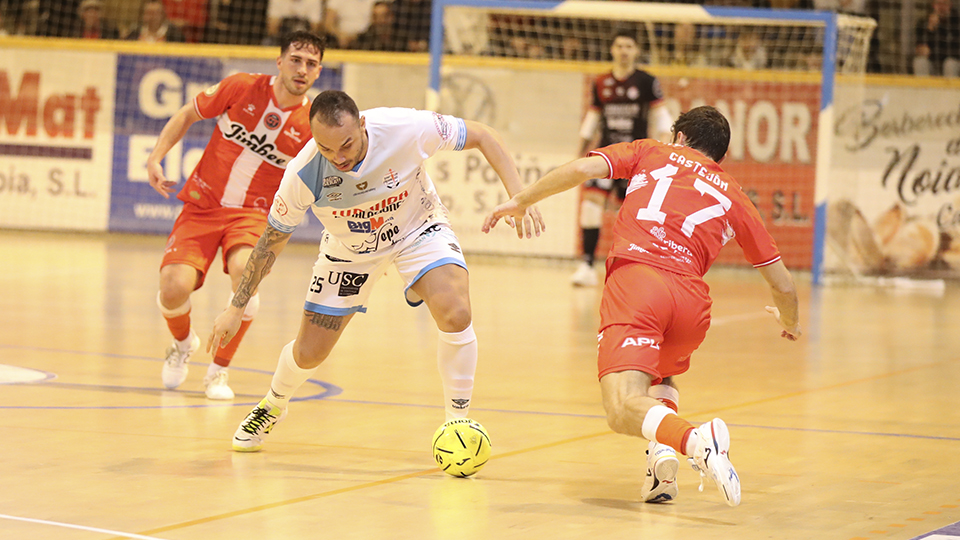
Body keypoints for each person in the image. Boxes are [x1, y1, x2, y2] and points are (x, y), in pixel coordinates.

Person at [482, 106, 801, 506]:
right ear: (718, 156)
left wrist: (522, 200)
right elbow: (784, 286)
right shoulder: (735, 194)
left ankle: (697, 441)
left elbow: (582, 170)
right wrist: (790, 323)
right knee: (660, 374)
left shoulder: (650, 151)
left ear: (680, 138)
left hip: (638, 284)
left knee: (620, 407)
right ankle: (660, 460)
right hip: (691, 305)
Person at [208, 90, 544, 452]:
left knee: (456, 311)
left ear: (363, 125)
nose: (338, 158)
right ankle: (273, 404)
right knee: (310, 353)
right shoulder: (303, 173)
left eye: (346, 145)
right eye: (326, 149)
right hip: (350, 252)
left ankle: (456, 422)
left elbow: (482, 134)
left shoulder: (405, 128)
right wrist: (236, 306)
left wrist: (519, 197)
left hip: (418, 229)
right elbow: (270, 243)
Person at [147, 31, 325, 400]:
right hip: (203, 204)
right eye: (295, 59)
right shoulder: (241, 87)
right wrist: (155, 156)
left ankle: (218, 371)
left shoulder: (312, 126)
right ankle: (183, 345)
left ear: (319, 71)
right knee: (172, 286)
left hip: (253, 215)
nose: (302, 69)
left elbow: (326, 185)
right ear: (279, 61)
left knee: (247, 272)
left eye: (311, 64)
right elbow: (187, 114)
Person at [571, 29, 673, 287]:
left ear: (636, 51)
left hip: (636, 158)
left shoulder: (647, 81)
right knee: (590, 206)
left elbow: (661, 117)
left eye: (629, 46)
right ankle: (586, 266)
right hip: (606, 156)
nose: (624, 50)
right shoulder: (601, 82)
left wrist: (664, 146)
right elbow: (592, 119)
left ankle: (631, 269)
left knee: (631, 216)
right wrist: (579, 150)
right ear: (612, 50)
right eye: (619, 45)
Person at [913, 0, 960, 77]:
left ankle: (950, 88)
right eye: (938, 4)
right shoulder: (923, 23)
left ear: (950, 5)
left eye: (944, 4)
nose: (941, 7)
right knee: (920, 62)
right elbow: (921, 49)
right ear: (933, 5)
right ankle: (922, 88)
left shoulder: (957, 22)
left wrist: (933, 51)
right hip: (933, 63)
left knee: (949, 64)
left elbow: (956, 51)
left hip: (954, 63)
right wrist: (930, 30)